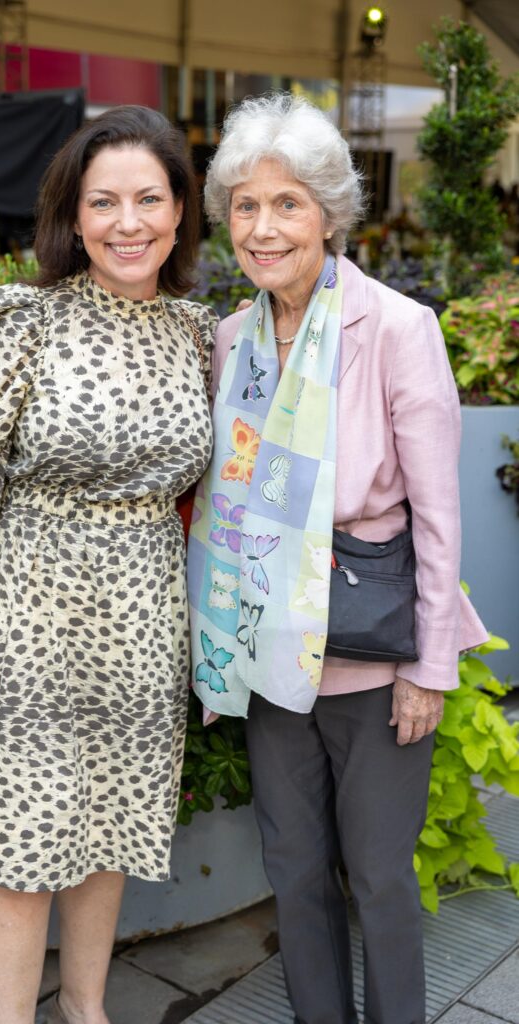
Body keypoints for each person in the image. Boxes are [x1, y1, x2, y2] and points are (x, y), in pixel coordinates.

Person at [187, 93, 487, 1024]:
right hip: (270, 656)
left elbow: (438, 517)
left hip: (371, 657)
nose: (263, 228)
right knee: (292, 867)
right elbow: (224, 504)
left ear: (327, 214)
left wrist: (428, 667)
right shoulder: (230, 341)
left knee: (380, 876)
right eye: (245, 205)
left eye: (287, 204)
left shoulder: (395, 328)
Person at [0, 105, 217, 1024]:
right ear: (73, 214)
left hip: (144, 615)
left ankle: (85, 1010)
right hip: (27, 616)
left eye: (148, 199)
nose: (128, 223)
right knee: (23, 847)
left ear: (180, 210)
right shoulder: (21, 322)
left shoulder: (199, 334)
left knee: (111, 829)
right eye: (103, 202)